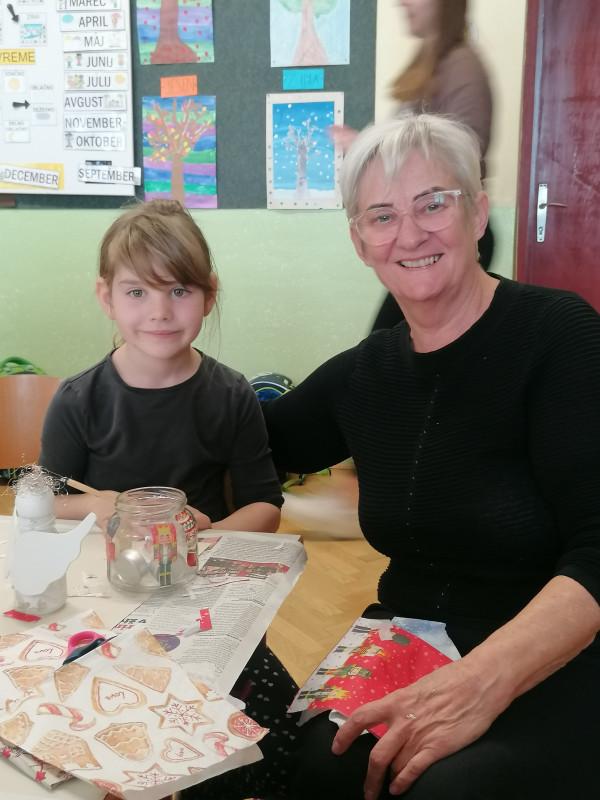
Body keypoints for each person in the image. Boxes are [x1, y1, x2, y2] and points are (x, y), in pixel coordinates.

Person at [261, 114, 600, 799]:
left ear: (477, 214)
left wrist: (477, 684)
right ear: (360, 241)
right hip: (408, 636)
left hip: (553, 647)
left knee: (451, 788)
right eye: (382, 216)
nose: (410, 234)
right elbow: (251, 441)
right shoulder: (367, 373)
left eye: (433, 204)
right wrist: (156, 351)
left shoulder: (560, 335)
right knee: (309, 763)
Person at [40, 199, 297, 800]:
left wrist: (202, 532)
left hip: (200, 604)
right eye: (137, 292)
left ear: (208, 296)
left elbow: (265, 506)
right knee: (89, 743)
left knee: (269, 739)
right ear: (106, 296)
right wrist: (96, 507)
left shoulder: (230, 394)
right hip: (103, 607)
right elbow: (45, 502)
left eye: (179, 290)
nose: (159, 311)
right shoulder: (79, 400)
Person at [333, 0, 494, 330]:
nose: (402, 2)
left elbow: (462, 157)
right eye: (383, 217)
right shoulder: (430, 64)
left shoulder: (460, 64)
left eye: (431, 204)